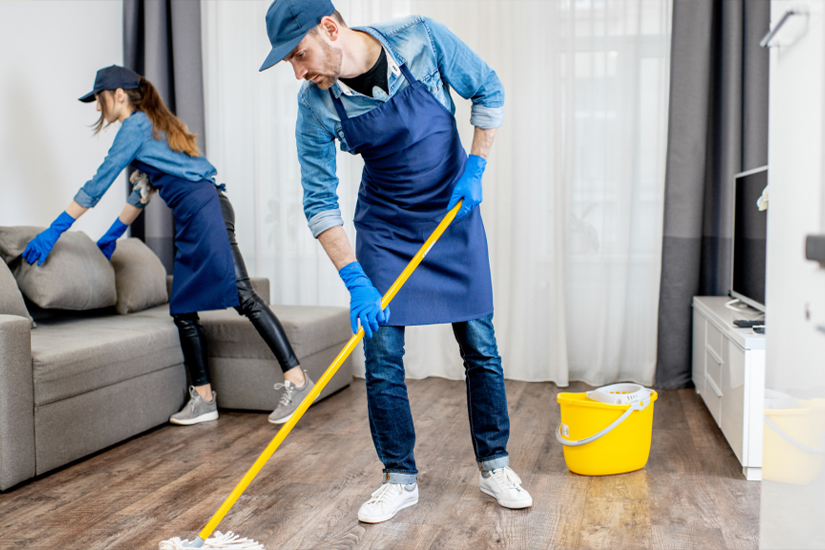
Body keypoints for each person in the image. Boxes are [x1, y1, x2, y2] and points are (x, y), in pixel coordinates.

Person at [259, 0, 532, 523]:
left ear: (331, 29)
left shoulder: (420, 39)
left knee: (480, 343)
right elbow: (319, 201)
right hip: (386, 229)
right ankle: (399, 477)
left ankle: (494, 465)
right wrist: (355, 278)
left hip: (452, 214)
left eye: (299, 55)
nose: (298, 71)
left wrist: (475, 166)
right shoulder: (315, 104)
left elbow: (489, 87)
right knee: (383, 355)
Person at [22, 65, 315, 426]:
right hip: (199, 213)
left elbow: (98, 183)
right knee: (182, 309)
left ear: (117, 95)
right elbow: (142, 192)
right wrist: (112, 235)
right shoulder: (151, 127)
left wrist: (55, 230)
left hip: (203, 211)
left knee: (243, 295)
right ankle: (204, 398)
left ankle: (297, 380)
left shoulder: (136, 125)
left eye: (98, 100)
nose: (98, 109)